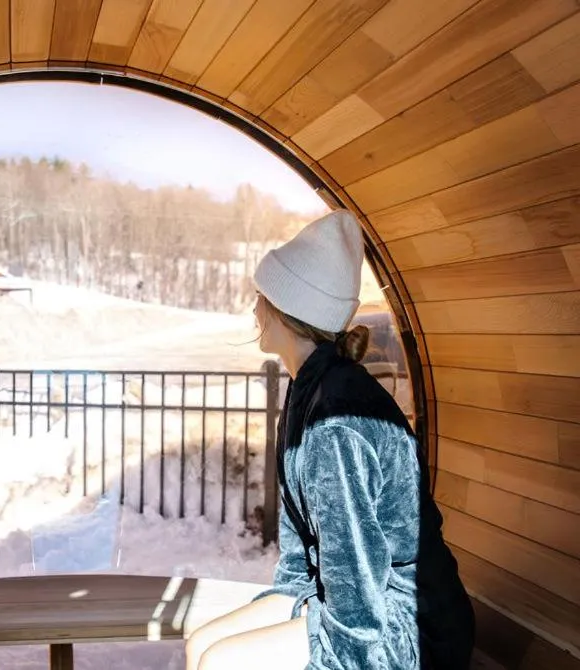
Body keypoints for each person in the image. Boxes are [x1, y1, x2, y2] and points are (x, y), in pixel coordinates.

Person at [186, 210, 474, 669]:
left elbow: (357, 593)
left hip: (408, 622)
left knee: (221, 662)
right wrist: (285, 602)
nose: (254, 308)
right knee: (201, 644)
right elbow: (301, 551)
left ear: (287, 309)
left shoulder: (336, 421)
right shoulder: (307, 391)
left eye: (262, 296)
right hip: (347, 597)